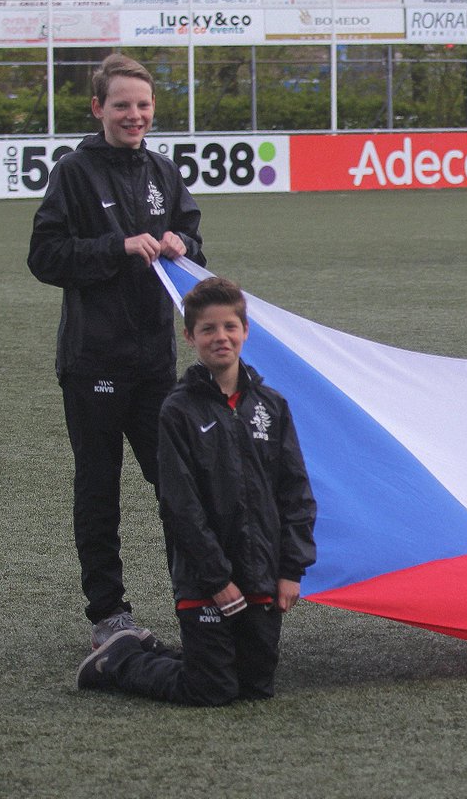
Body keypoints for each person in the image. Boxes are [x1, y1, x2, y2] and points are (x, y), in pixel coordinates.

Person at [27, 53, 205, 648]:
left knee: (179, 488)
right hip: (93, 364)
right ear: (98, 108)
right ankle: (109, 615)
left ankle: (197, 601)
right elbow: (45, 257)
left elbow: (194, 244)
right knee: (99, 491)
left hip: (156, 364)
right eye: (122, 105)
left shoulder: (162, 170)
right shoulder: (74, 173)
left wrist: (185, 244)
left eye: (143, 105)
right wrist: (117, 248)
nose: (134, 115)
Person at [77, 277, 317, 705]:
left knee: (256, 689)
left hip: (260, 575)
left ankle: (186, 654)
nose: (220, 337)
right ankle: (121, 658)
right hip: (205, 580)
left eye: (229, 327)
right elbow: (179, 503)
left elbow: (295, 493)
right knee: (211, 691)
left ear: (246, 332)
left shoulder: (271, 406)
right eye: (208, 329)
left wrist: (290, 570)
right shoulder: (178, 409)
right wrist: (216, 578)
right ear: (190, 337)